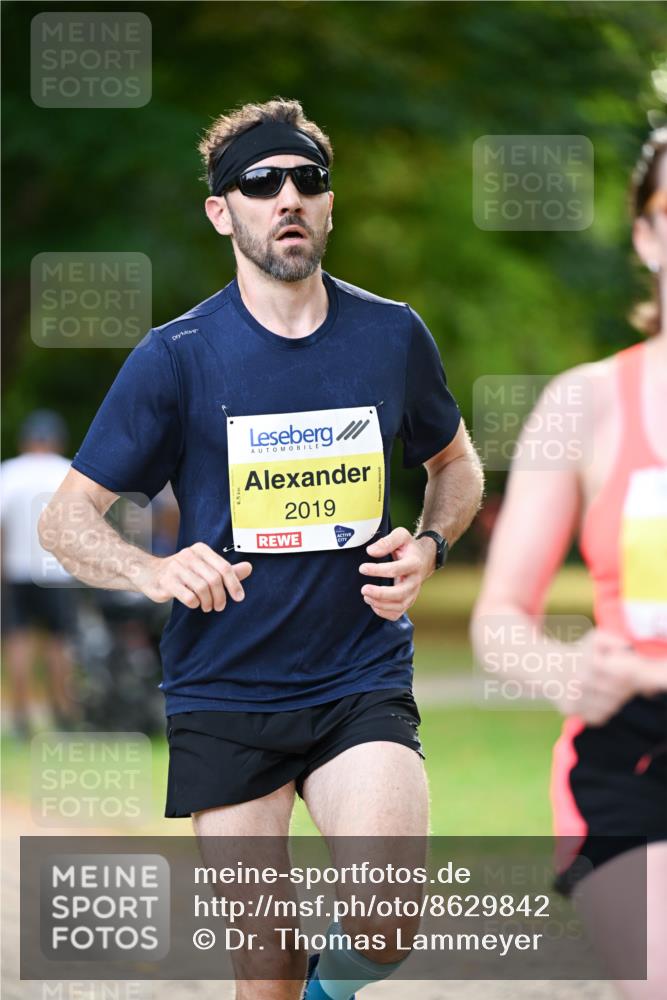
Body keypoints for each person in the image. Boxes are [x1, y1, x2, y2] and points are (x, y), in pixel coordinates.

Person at [39, 97, 484, 1000]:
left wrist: (430, 546)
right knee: (265, 963)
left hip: (356, 674)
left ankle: (333, 986)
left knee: (388, 914)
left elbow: (457, 464)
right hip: (224, 687)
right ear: (221, 210)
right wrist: (152, 568)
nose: (287, 196)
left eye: (306, 180)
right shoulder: (176, 355)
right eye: (260, 182)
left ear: (328, 203)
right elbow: (65, 521)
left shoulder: (391, 334)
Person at [471, 128, 667, 998]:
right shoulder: (581, 404)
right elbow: (497, 619)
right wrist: (559, 669)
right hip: (635, 750)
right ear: (644, 236)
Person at [1, 409, 80, 737]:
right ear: (57, 440)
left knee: (17, 640)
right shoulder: (67, 472)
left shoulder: (9, 472)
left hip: (18, 570)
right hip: (58, 570)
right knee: (59, 642)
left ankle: (20, 715)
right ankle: (62, 711)